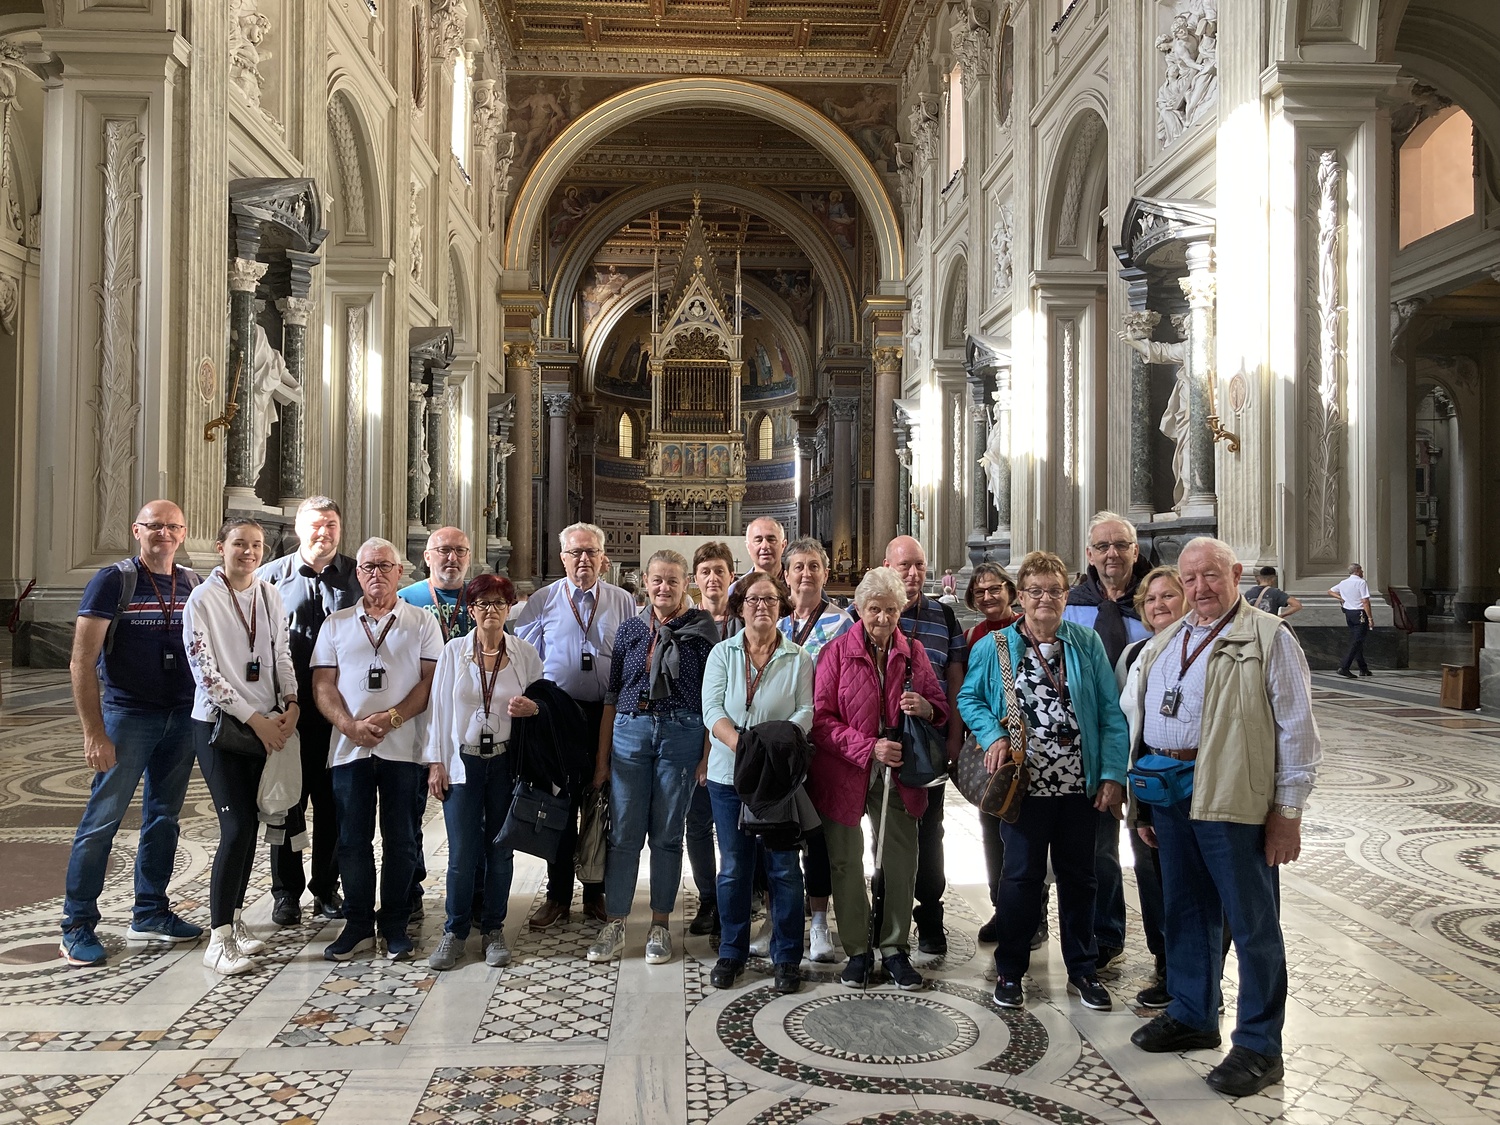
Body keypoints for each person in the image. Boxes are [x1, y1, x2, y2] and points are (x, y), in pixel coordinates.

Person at [1128, 537, 1321, 1100]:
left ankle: (1260, 1045)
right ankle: (1193, 1013)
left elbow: (1297, 731)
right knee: (1185, 910)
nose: (1199, 588)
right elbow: (1142, 720)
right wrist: (1145, 804)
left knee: (1252, 921)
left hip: (1233, 796)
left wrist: (1287, 812)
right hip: (1170, 793)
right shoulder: (1168, 639)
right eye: (1189, 579)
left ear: (1235, 574)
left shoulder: (1269, 637)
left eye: (1210, 575)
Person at [958, 550, 1129, 1013]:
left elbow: (1110, 713)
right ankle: (1011, 970)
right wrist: (993, 734)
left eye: (1054, 591)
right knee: (1020, 878)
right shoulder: (995, 646)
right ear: (1021, 596)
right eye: (1035, 591)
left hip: (1078, 785)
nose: (1044, 599)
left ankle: (1083, 969)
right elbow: (969, 699)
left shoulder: (1085, 642)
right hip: (1025, 786)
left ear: (1066, 595)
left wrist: (1112, 774)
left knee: (1081, 878)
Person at [60, 501, 204, 967]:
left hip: (180, 717)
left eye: (173, 526)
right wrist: (93, 732)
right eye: (154, 526)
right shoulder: (113, 581)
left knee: (164, 817)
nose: (164, 533)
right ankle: (77, 925)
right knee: (102, 820)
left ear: (183, 533)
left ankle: (151, 911)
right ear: (136, 531)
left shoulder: (192, 582)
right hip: (128, 718)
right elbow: (82, 660)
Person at [810, 566, 949, 991]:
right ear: (859, 608)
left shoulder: (914, 652)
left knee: (901, 862)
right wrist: (869, 748)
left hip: (899, 776)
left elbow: (940, 708)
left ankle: (893, 948)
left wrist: (925, 707)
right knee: (846, 862)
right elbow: (821, 721)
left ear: (900, 610)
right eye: (874, 609)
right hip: (845, 772)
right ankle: (857, 950)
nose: (883, 618)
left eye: (891, 609)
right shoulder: (836, 653)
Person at [311, 538, 443, 962]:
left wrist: (392, 718)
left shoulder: (421, 622)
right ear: (358, 573)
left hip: (404, 748)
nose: (376, 574)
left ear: (399, 572)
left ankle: (395, 925)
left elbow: (431, 681)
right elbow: (323, 684)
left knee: (402, 840)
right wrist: (349, 725)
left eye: (385, 566)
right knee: (352, 840)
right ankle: (357, 925)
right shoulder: (336, 624)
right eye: (368, 567)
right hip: (349, 750)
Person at [587, 550, 718, 965]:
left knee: (667, 833)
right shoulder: (629, 629)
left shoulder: (702, 630)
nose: (664, 587)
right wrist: (602, 761)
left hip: (681, 733)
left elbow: (712, 699)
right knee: (624, 833)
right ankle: (616, 922)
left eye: (673, 580)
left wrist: (705, 757)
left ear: (686, 584)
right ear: (644, 581)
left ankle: (660, 923)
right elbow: (612, 696)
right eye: (657, 580)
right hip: (631, 732)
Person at [182, 518, 298, 974]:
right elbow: (206, 674)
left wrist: (292, 702)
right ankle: (218, 938)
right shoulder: (203, 599)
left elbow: (281, 654)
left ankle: (233, 919)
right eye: (239, 544)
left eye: (257, 545)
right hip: (220, 728)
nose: (249, 552)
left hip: (267, 723)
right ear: (220, 547)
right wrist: (256, 720)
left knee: (251, 828)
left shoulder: (269, 594)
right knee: (236, 828)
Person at [512, 523, 637, 930]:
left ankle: (595, 893)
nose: (583, 559)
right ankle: (558, 896)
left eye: (591, 552)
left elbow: (632, 656)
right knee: (561, 806)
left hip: (606, 714)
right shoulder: (543, 600)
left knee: (601, 805)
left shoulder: (622, 601)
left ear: (604, 558)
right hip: (558, 716)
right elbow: (525, 656)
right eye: (575, 552)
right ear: (562, 557)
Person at [700, 571, 814, 994]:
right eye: (753, 599)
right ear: (740, 607)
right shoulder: (723, 653)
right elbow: (712, 709)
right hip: (728, 776)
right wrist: (744, 747)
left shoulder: (798, 657)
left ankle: (787, 957)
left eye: (770, 599)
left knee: (784, 868)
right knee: (734, 868)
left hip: (777, 779)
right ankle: (732, 951)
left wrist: (768, 749)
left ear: (782, 606)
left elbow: (806, 712)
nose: (762, 606)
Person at [423, 574, 543, 971]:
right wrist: (436, 761)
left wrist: (533, 709)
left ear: (509, 608)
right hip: (464, 763)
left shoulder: (525, 653)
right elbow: (438, 710)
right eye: (482, 604)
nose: (491, 610)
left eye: (499, 603)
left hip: (506, 764)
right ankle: (455, 931)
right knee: (462, 852)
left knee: (500, 849)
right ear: (471, 610)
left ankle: (493, 929)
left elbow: (543, 702)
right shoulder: (454, 651)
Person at [257, 496, 364, 926]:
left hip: (341, 712)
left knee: (334, 803)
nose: (324, 532)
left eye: (331, 525)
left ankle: (326, 887)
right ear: (299, 529)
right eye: (316, 525)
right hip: (288, 713)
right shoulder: (269, 578)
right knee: (286, 802)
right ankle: (286, 891)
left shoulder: (358, 575)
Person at [1062, 511, 1153, 969]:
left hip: (1151, 744)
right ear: (1090, 554)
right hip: (1094, 745)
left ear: (1135, 551)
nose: (1112, 554)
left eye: (1121, 545)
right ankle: (1105, 933)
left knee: (1152, 851)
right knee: (1098, 848)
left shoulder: (1155, 600)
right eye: (1103, 546)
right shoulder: (1073, 605)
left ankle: (1166, 952)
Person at [882, 535, 965, 955]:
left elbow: (955, 683)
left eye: (919, 565)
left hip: (928, 740)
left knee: (931, 831)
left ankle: (930, 916)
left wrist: (953, 738)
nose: (913, 574)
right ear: (887, 567)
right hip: (881, 743)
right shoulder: (871, 610)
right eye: (904, 566)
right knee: (882, 832)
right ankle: (883, 914)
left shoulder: (945, 617)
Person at [1114, 566, 1189, 1007]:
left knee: (1192, 882)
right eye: (1151, 599)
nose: (1159, 605)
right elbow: (1122, 720)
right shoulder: (1134, 654)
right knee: (1151, 875)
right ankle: (1166, 964)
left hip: (1191, 783)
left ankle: (1200, 975)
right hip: (1145, 783)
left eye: (1168, 596)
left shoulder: (1202, 648)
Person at [778, 537, 854, 963]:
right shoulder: (775, 621)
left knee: (819, 835)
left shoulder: (843, 623)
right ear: (786, 575)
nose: (806, 574)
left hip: (823, 745)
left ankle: (821, 922)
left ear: (825, 573)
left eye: (813, 566)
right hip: (782, 747)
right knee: (779, 831)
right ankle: (780, 918)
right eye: (798, 567)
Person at [397, 526, 475, 922]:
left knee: (471, 812)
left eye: (460, 551)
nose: (452, 558)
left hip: (467, 725)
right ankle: (410, 887)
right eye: (443, 550)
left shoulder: (480, 599)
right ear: (427, 556)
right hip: (416, 719)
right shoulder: (405, 599)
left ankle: (474, 892)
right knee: (408, 810)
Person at [683, 540, 741, 936]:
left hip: (735, 737)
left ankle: (736, 896)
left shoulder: (745, 619)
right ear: (695, 579)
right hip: (694, 736)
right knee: (698, 822)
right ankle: (708, 899)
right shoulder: (685, 622)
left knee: (738, 825)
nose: (713, 578)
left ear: (731, 576)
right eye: (705, 572)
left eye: (720, 571)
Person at [962, 562, 1019, 944]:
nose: (988, 597)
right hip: (989, 747)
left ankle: (1031, 913)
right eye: (980, 592)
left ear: (1010, 590)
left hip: (1026, 746)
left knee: (1024, 834)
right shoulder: (972, 637)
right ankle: (1002, 908)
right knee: (992, 831)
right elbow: (967, 692)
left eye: (995, 589)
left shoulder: (1028, 629)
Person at [1328, 563, 1372, 678]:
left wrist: (1340, 598)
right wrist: (1370, 617)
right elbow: (1365, 601)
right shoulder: (1361, 582)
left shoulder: (1343, 582)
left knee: (1357, 640)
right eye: (1361, 570)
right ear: (1357, 571)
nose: (1362, 572)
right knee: (1357, 641)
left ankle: (1363, 668)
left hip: (1349, 613)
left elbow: (1330, 591)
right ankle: (1344, 667)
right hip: (1360, 613)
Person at [736, 517, 787, 589]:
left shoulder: (797, 585)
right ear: (748, 547)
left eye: (771, 539)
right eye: (758, 540)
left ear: (783, 545)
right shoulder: (737, 589)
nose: (765, 546)